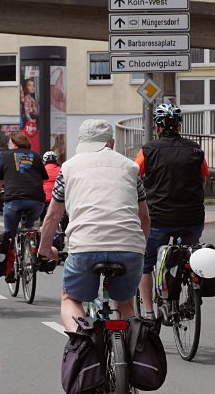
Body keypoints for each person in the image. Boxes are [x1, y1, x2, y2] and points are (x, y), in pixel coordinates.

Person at [38, 119, 150, 331]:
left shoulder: (68, 168)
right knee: (125, 303)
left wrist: (45, 248)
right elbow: (144, 216)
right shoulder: (130, 167)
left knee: (70, 299)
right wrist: (139, 248)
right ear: (112, 143)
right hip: (129, 247)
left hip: (85, 247)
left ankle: (83, 345)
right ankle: (128, 352)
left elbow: (53, 216)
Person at [135, 104, 209, 319]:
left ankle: (149, 312)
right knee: (192, 255)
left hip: (159, 218)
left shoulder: (148, 150)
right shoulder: (195, 149)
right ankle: (193, 294)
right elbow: (202, 180)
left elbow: (132, 175)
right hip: (192, 217)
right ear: (179, 125)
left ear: (158, 127)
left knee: (146, 263)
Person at [0, 131, 48, 235]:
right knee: (30, 225)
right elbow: (43, 179)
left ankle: (10, 242)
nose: (8, 145)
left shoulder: (6, 155)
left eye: (9, 143)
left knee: (10, 232)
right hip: (37, 201)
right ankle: (30, 232)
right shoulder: (36, 155)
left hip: (14, 199)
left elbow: (0, 179)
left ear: (16, 143)